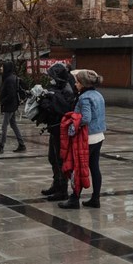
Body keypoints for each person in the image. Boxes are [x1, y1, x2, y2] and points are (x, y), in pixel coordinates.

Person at [59, 69, 106, 209]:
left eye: (77, 82)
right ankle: (95, 198)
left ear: (84, 84)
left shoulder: (84, 98)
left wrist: (73, 127)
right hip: (99, 136)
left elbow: (85, 118)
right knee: (94, 167)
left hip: (87, 138)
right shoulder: (98, 95)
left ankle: (74, 199)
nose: (75, 84)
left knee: (77, 168)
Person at [36, 62, 77, 202]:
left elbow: (62, 109)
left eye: (52, 77)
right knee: (52, 158)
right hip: (54, 128)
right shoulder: (58, 89)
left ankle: (62, 189)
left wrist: (47, 103)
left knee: (59, 159)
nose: (50, 80)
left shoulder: (66, 90)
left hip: (61, 129)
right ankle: (56, 184)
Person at [0, 61, 26, 155]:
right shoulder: (11, 77)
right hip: (13, 105)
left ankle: (1, 146)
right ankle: (21, 144)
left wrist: (3, 102)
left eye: (2, 67)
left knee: (4, 126)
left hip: (9, 106)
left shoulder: (9, 79)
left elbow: (10, 94)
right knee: (13, 124)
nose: (1, 68)